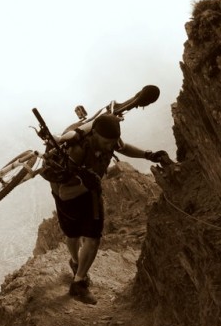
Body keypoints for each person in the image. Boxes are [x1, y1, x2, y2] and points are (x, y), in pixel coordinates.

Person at [48, 114, 170, 304]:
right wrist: (87, 185)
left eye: (112, 143)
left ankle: (79, 282)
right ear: (94, 134)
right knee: (72, 235)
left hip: (92, 193)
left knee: (93, 238)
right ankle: (74, 262)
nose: (109, 147)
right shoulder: (77, 151)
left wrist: (148, 154)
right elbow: (64, 193)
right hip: (69, 196)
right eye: (106, 143)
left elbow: (124, 147)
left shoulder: (110, 141)